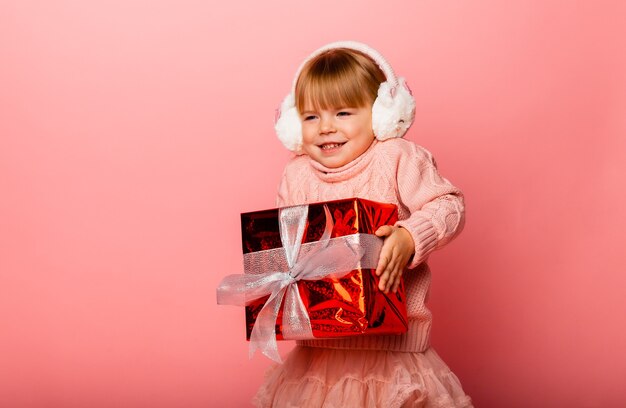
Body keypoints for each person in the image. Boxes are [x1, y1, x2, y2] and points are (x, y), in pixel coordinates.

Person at [253, 41, 473, 408]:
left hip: (392, 356)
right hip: (316, 356)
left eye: (342, 113)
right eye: (310, 117)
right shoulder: (295, 174)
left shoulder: (396, 157)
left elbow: (448, 204)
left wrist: (409, 235)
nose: (325, 128)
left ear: (383, 115)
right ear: (293, 126)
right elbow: (285, 249)